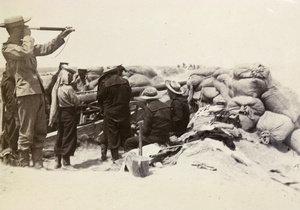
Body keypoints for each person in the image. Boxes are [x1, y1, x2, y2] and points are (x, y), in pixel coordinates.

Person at [1, 15, 74, 168]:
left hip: (37, 92)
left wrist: (61, 36)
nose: (25, 30)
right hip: (25, 93)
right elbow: (26, 52)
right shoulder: (8, 48)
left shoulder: (26, 45)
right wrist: (27, 36)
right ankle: (24, 166)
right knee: (26, 132)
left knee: (40, 130)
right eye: (22, 28)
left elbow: (46, 48)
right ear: (16, 30)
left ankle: (38, 165)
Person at [97, 65, 131, 161]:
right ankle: (128, 156)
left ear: (108, 73)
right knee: (125, 133)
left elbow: (99, 98)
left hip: (110, 113)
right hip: (123, 111)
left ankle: (115, 158)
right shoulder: (125, 82)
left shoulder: (105, 84)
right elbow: (129, 95)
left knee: (112, 135)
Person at [50, 66, 81, 169]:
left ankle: (57, 160)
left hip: (60, 114)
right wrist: (80, 100)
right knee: (69, 136)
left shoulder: (58, 88)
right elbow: (75, 101)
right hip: (69, 114)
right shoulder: (69, 89)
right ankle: (66, 162)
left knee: (60, 135)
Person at [124, 87, 172, 151]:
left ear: (146, 99)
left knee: (128, 142)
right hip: (165, 136)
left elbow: (145, 131)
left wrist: (139, 128)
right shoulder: (166, 106)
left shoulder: (149, 108)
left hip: (154, 138)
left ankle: (132, 158)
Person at [0, 71, 19, 154]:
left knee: (9, 131)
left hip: (9, 110)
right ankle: (12, 152)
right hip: (12, 111)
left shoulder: (5, 79)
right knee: (12, 132)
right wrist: (15, 115)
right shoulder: (10, 81)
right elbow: (11, 100)